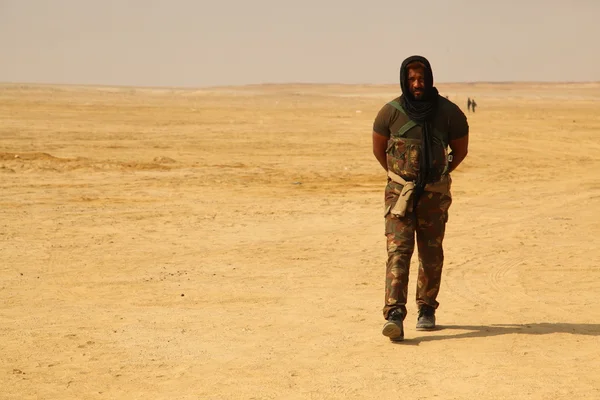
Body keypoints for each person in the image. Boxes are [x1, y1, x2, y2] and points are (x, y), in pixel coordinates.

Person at [371, 55, 469, 342]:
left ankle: (426, 309)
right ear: (404, 79)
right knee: (398, 252)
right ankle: (394, 315)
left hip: (434, 196)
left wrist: (437, 175)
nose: (417, 84)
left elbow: (460, 151)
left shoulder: (448, 113)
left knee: (431, 253)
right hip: (400, 195)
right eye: (412, 79)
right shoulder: (390, 113)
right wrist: (403, 180)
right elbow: (380, 152)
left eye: (421, 78)